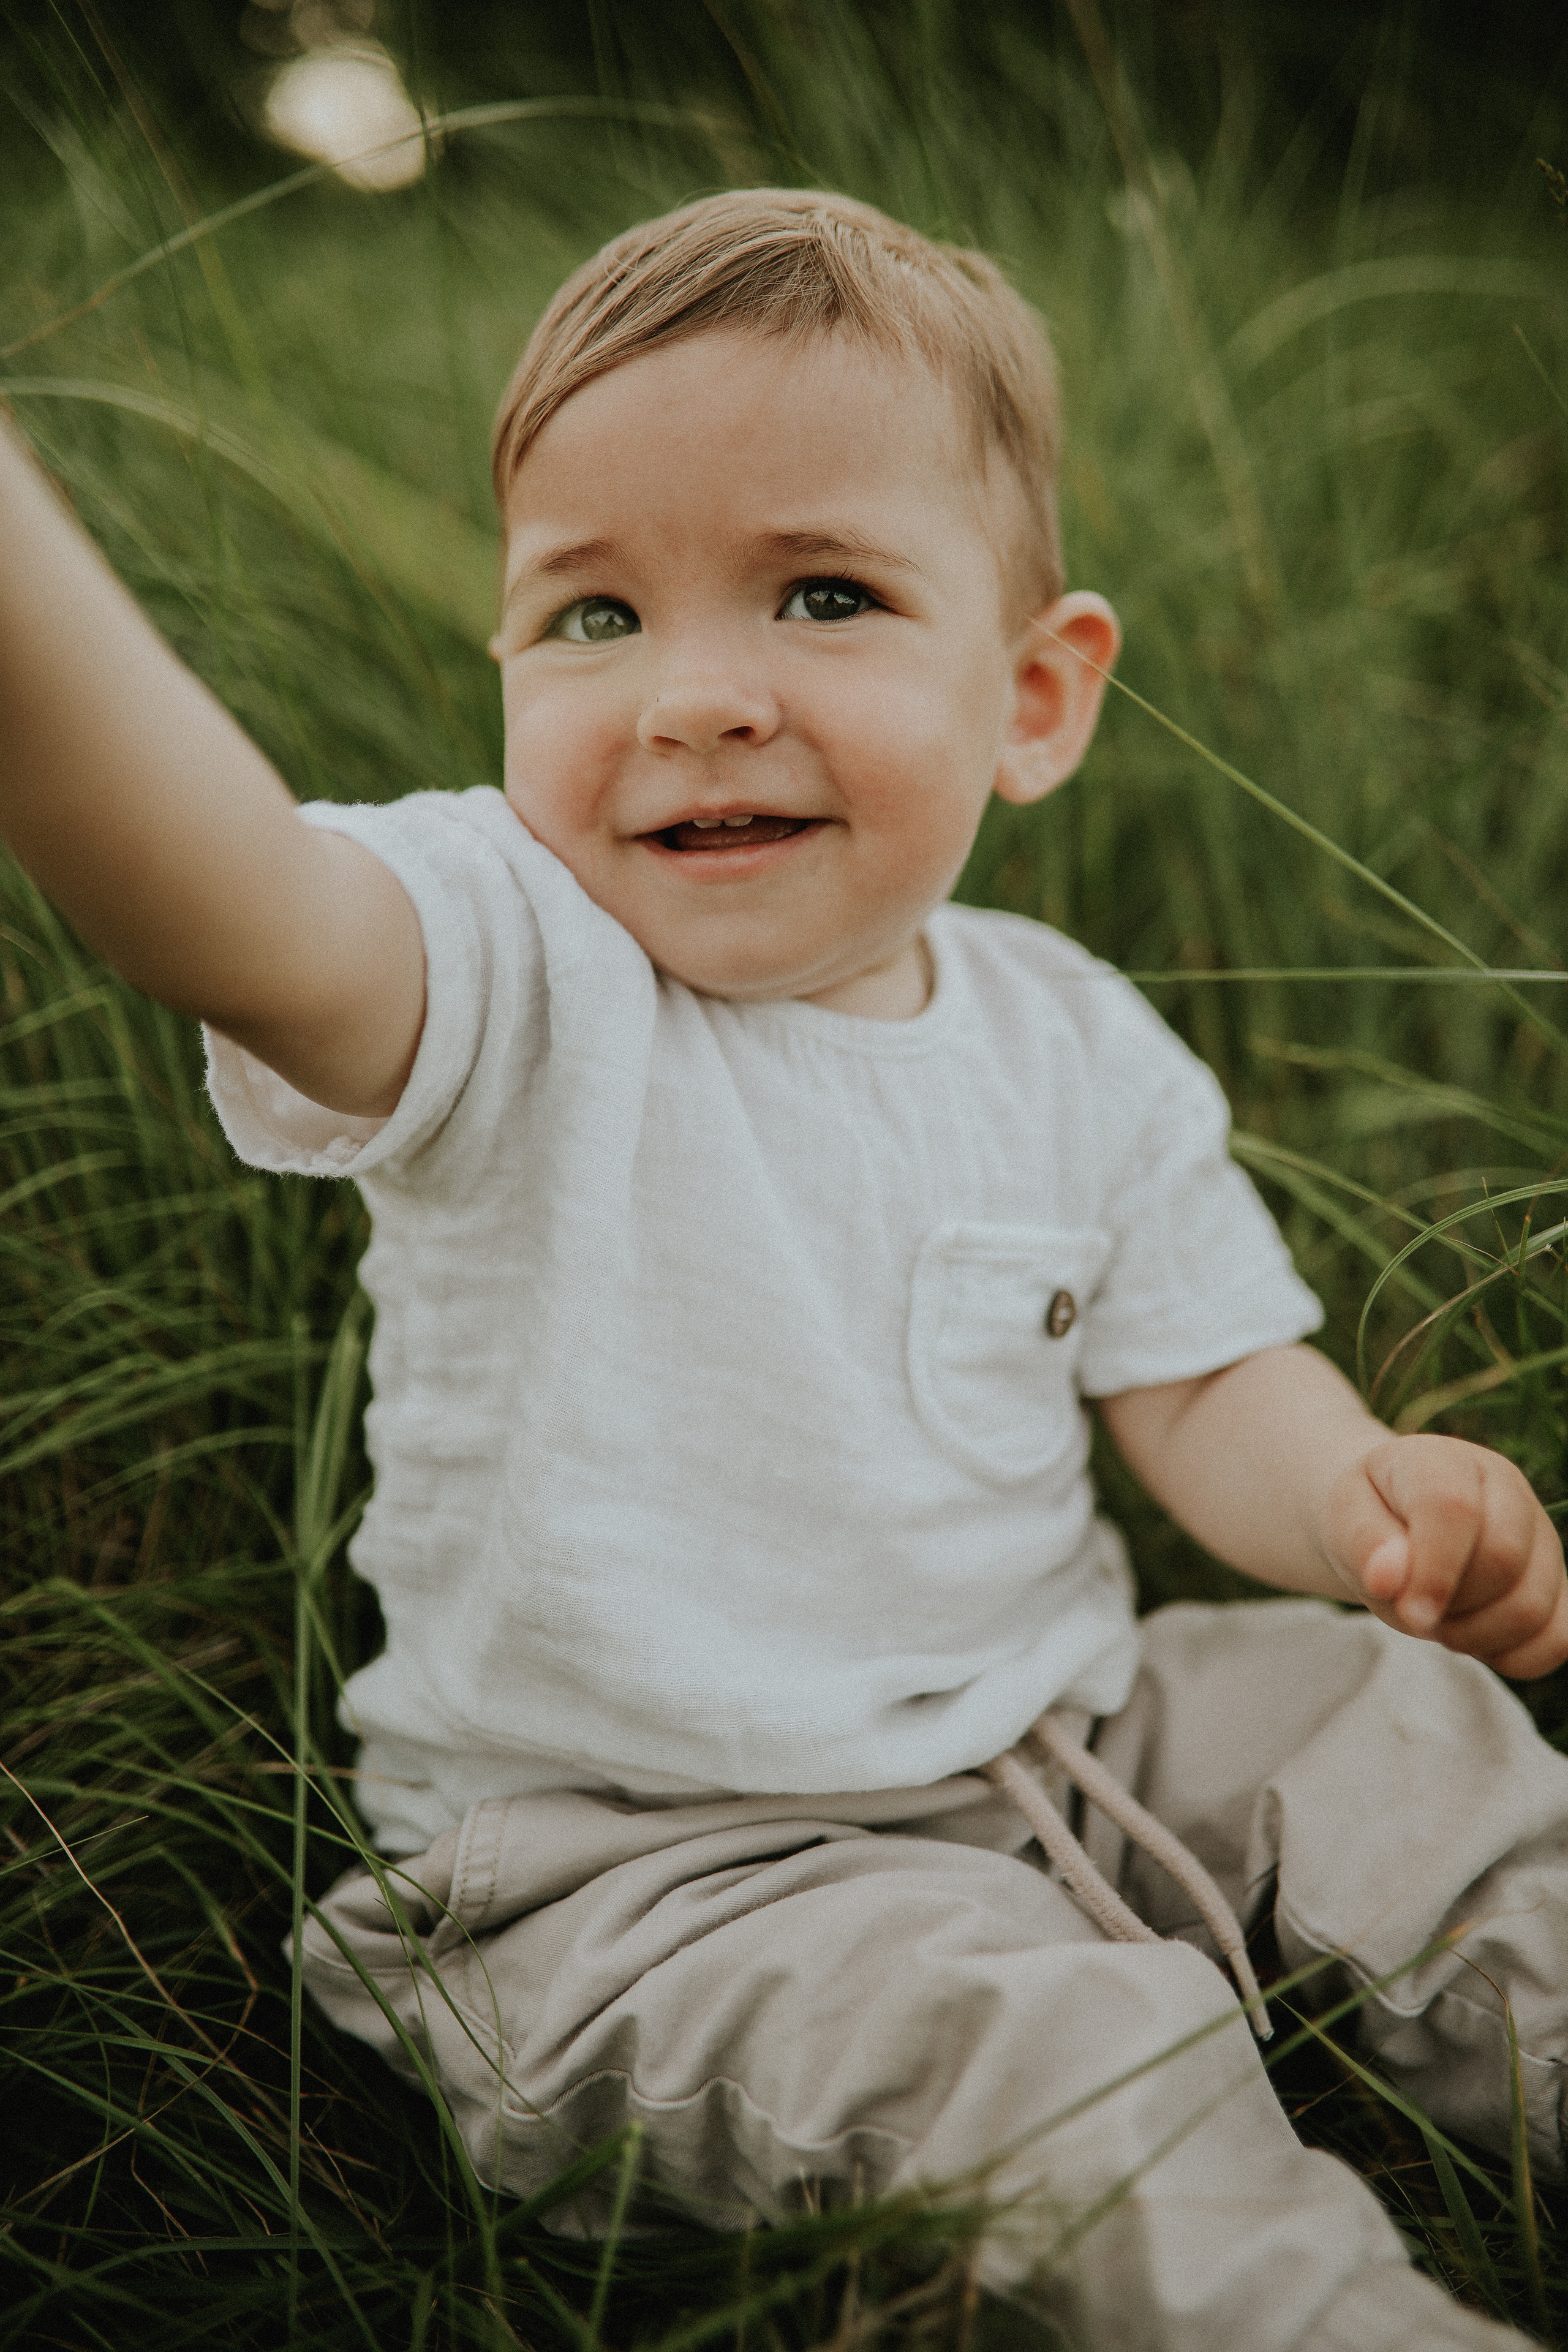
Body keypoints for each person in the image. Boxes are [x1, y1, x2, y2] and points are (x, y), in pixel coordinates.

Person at [2, 187, 1564, 2352]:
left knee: (1407, 1737)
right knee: (1044, 2049)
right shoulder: (518, 969)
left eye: (823, 595)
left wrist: (1361, 1495)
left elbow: (1205, 1382)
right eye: (595, 614)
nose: (697, 698)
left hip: (1060, 1742)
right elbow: (232, 907)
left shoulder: (1066, 1033)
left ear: (1033, 697)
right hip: (642, 1882)